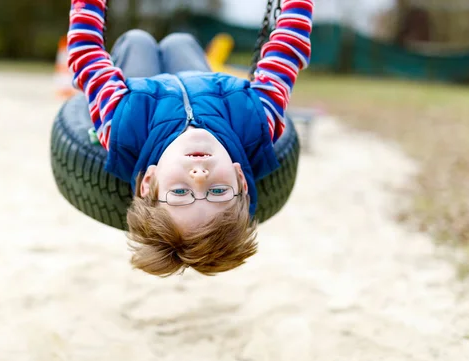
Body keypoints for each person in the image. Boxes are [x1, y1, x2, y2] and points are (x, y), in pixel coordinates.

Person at [67, 0, 313, 276]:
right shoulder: (256, 122)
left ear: (149, 182)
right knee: (180, 41)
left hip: (142, 94)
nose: (199, 177)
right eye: (218, 192)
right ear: (241, 179)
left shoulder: (121, 124)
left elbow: (85, 55)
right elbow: (288, 51)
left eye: (180, 193)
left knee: (137, 41)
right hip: (205, 87)